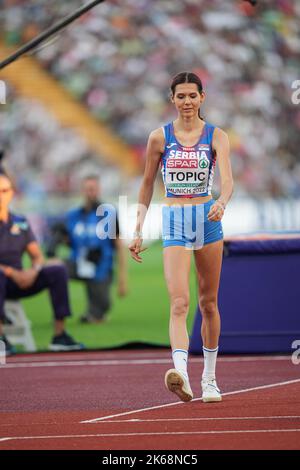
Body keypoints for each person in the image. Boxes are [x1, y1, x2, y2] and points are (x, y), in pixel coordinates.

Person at [129, 72, 233, 403]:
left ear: (202, 98)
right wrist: (138, 227)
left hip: (207, 219)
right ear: (171, 99)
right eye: (181, 96)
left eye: (192, 96)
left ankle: (211, 378)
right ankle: (181, 373)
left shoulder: (217, 136)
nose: (187, 101)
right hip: (174, 219)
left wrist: (221, 201)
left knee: (208, 302)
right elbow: (146, 184)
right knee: (178, 301)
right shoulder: (159, 138)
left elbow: (228, 180)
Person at [0, 170, 85, 355]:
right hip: (4, 278)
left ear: (12, 193)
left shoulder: (20, 222)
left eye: (5, 190)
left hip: (20, 280)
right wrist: (11, 273)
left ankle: (60, 335)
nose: (2, 195)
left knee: (57, 270)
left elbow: (37, 256)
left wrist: (33, 270)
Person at [48, 175, 128, 324]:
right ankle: (59, 314)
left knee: (98, 312)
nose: (91, 193)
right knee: (51, 268)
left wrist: (123, 279)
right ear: (82, 191)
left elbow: (119, 245)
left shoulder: (109, 213)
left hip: (101, 267)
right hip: (77, 262)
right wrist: (58, 241)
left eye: (94, 189)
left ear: (99, 190)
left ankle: (95, 311)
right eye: (87, 189)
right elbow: (69, 241)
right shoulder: (73, 215)